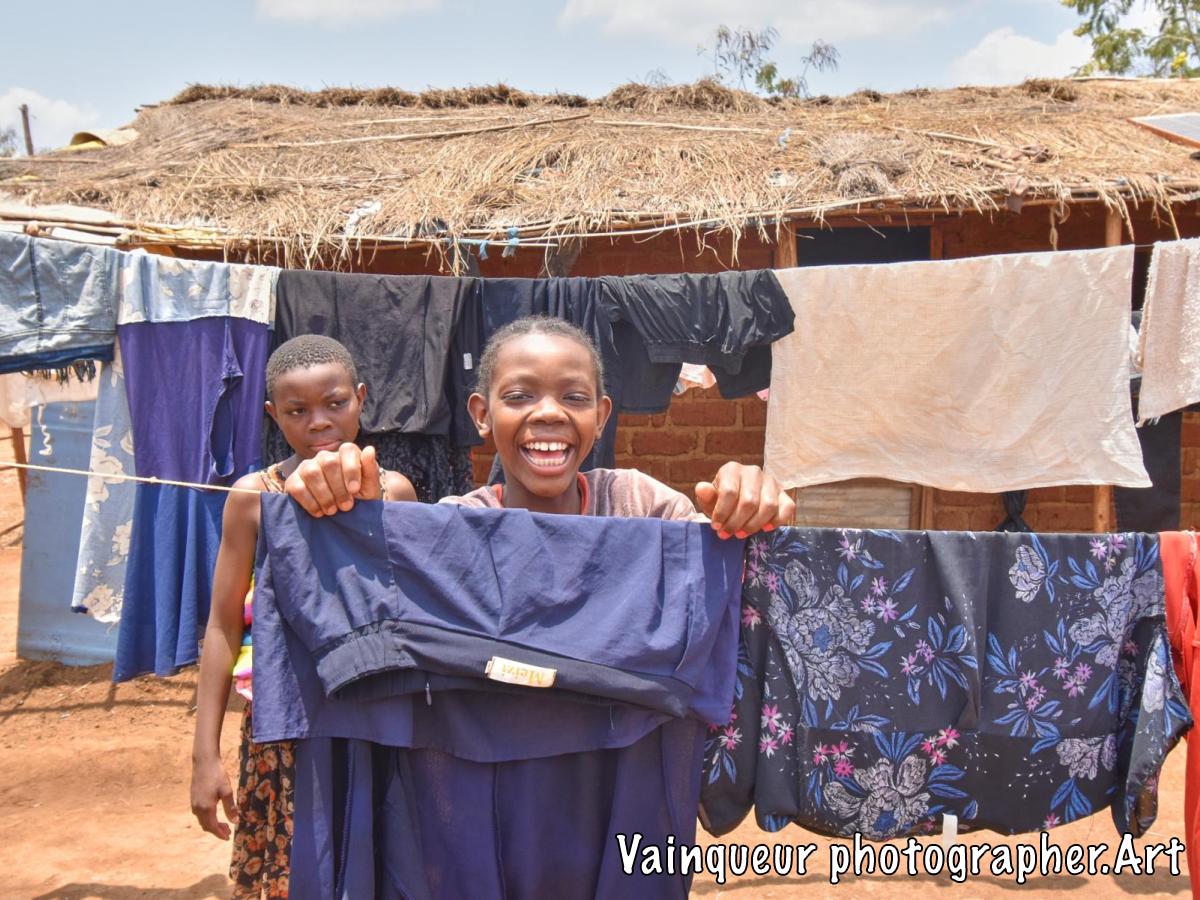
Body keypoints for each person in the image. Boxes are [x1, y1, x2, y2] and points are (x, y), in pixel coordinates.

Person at [189, 335, 416, 899]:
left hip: (374, 719)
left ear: (361, 399)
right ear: (273, 415)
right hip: (282, 731)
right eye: (297, 411)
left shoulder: (394, 494)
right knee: (290, 873)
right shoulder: (253, 498)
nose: (319, 422)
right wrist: (204, 755)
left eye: (335, 403)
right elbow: (223, 626)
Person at [285, 315, 794, 532]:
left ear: (601, 418)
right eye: (519, 396)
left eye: (574, 397)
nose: (549, 412)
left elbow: (730, 576)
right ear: (482, 416)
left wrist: (751, 512)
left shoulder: (643, 507)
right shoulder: (457, 527)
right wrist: (347, 515)